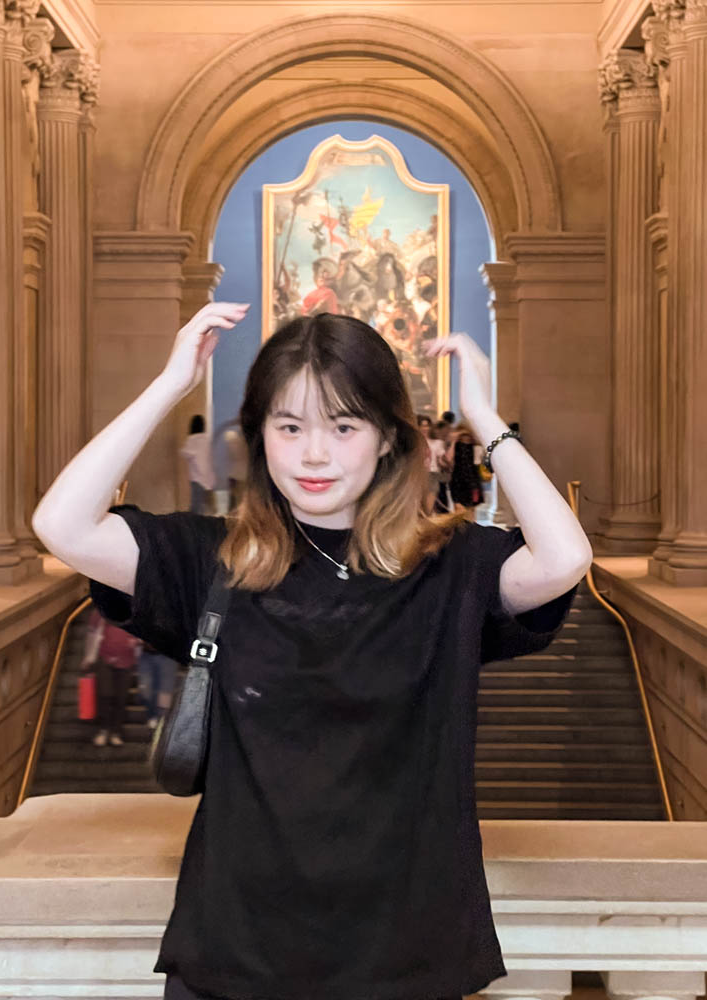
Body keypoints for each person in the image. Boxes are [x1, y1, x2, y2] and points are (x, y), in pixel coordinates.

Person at [33, 301, 592, 1000]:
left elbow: (565, 556)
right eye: (289, 426)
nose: (314, 454)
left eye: (343, 426)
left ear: (389, 438)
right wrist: (173, 383)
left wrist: (484, 417)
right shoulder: (215, 560)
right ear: (261, 435)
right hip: (235, 955)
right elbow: (61, 523)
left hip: (403, 959)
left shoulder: (451, 568)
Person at [81, 607, 141, 747]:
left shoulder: (134, 610)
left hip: (126, 661)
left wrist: (136, 643)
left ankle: (116, 732)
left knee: (121, 697)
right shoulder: (101, 610)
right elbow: (92, 634)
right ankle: (104, 729)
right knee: (105, 694)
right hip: (104, 658)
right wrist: (88, 657)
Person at [137, 642, 180, 730]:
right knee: (145, 691)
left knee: (165, 691)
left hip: (168, 655)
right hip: (146, 654)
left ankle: (162, 720)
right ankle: (152, 715)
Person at [179, 414, 215, 514]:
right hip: (208, 479)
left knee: (195, 507)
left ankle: (192, 526)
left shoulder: (192, 440)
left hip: (197, 478)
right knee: (203, 507)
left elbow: (185, 453)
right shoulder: (207, 440)